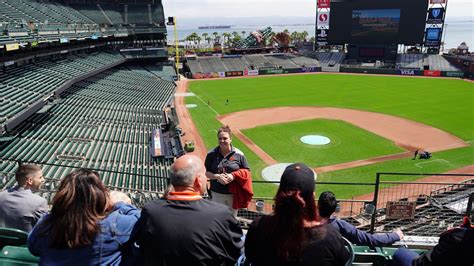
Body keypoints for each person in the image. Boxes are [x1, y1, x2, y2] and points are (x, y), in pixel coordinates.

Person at [130, 155, 243, 266]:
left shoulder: (150, 210)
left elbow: (140, 247)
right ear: (198, 180)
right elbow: (234, 253)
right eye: (204, 175)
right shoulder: (221, 213)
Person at [27, 169, 140, 265]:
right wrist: (120, 204)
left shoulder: (45, 222)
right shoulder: (115, 224)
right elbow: (146, 221)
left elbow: (33, 249)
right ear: (100, 196)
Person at [245, 163, 349, 266]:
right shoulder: (331, 237)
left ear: (280, 193)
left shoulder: (258, 227)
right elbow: (343, 260)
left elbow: (250, 257)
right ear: (312, 197)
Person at [318, 191, 403, 247]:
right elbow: (370, 240)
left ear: (317, 206)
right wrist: (395, 235)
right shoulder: (341, 225)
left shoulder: (307, 224)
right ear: (334, 210)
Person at [205, 125, 253, 216]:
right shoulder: (211, 154)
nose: (222, 141)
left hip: (233, 195)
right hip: (216, 194)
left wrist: (233, 175)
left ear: (231, 139)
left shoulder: (239, 154)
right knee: (217, 219)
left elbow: (247, 172)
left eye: (225, 138)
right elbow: (206, 172)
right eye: (220, 138)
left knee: (232, 219)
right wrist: (217, 176)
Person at [392, 216, 474, 266]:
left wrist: (455, 230)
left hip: (422, 264)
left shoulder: (458, 234)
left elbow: (442, 238)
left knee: (400, 251)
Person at [0, 164, 47, 232]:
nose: (43, 180)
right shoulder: (39, 202)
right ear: (30, 181)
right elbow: (44, 228)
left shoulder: (1, 196)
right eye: (40, 177)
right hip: (25, 242)